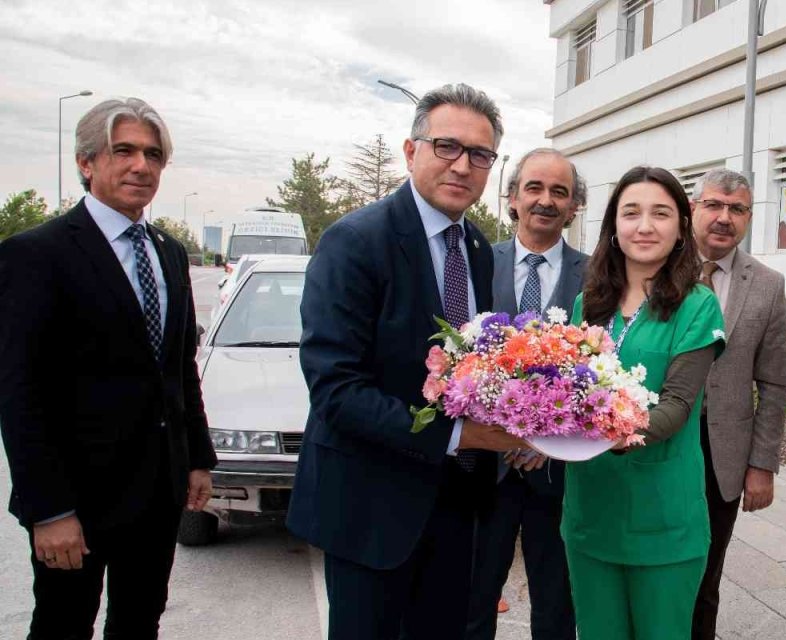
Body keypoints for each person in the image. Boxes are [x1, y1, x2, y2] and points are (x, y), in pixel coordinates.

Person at [286, 83, 531, 639]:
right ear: (410, 150)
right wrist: (461, 435)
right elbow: (336, 392)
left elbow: (474, 367)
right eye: (447, 146)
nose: (463, 165)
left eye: (481, 155)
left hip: (457, 506)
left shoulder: (474, 245)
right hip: (372, 509)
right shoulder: (354, 242)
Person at [0, 97, 217, 639]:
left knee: (140, 621)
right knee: (61, 624)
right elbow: (19, 393)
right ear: (86, 161)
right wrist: (48, 510)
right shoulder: (36, 254)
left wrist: (196, 459)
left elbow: (178, 368)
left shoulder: (167, 253)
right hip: (76, 501)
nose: (140, 166)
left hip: (156, 492)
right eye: (123, 151)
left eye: (152, 154)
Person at [564, 166, 725, 639]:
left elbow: (676, 406)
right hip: (591, 512)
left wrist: (602, 435)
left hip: (663, 518)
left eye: (661, 213)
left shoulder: (697, 304)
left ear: (681, 226)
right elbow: (571, 395)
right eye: (631, 213)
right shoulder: (588, 303)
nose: (645, 226)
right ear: (614, 225)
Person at [467, 148, 587, 640]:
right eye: (534, 188)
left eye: (560, 191)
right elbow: (459, 356)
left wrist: (551, 436)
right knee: (471, 607)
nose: (546, 200)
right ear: (512, 198)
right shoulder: (476, 263)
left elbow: (606, 367)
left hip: (559, 477)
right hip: (481, 476)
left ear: (574, 205)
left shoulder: (600, 274)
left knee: (557, 611)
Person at [687, 168, 786, 640]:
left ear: (749, 217)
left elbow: (774, 383)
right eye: (713, 205)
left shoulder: (767, 284)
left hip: (722, 456)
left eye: (737, 209)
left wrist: (762, 464)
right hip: (656, 443)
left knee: (706, 576)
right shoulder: (655, 267)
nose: (724, 217)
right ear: (693, 209)